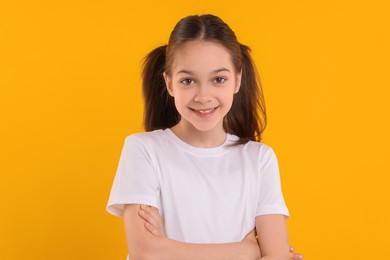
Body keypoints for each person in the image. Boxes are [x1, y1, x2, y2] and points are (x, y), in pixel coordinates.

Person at [107, 14, 303, 259]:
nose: (203, 95)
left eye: (218, 79)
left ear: (237, 80)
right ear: (169, 84)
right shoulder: (144, 149)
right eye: (188, 81)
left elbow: (276, 256)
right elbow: (145, 252)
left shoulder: (259, 159)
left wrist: (168, 248)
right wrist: (246, 250)